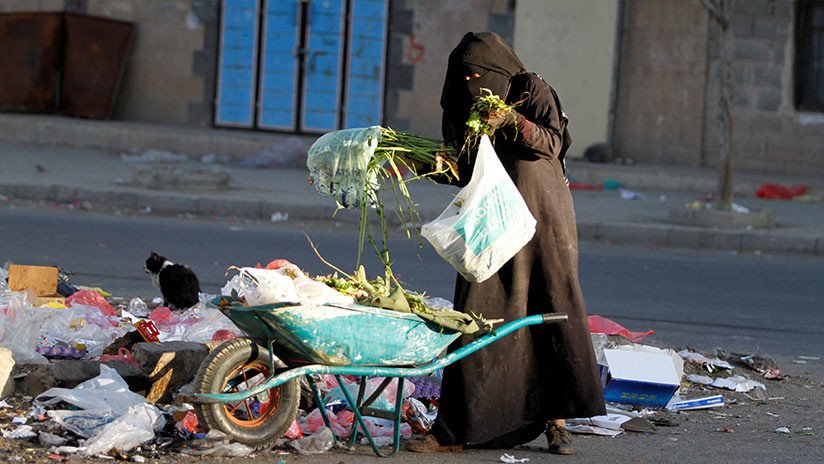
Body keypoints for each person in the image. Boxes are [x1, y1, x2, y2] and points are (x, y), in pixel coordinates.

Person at [406, 32, 605, 455]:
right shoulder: (462, 105)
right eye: (467, 77)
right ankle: (455, 430)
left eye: (481, 75)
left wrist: (512, 122)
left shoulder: (530, 89)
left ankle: (557, 422)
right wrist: (411, 160)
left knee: (548, 313)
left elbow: (552, 142)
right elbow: (460, 168)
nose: (475, 83)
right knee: (477, 315)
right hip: (490, 221)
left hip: (543, 220)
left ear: (499, 70)